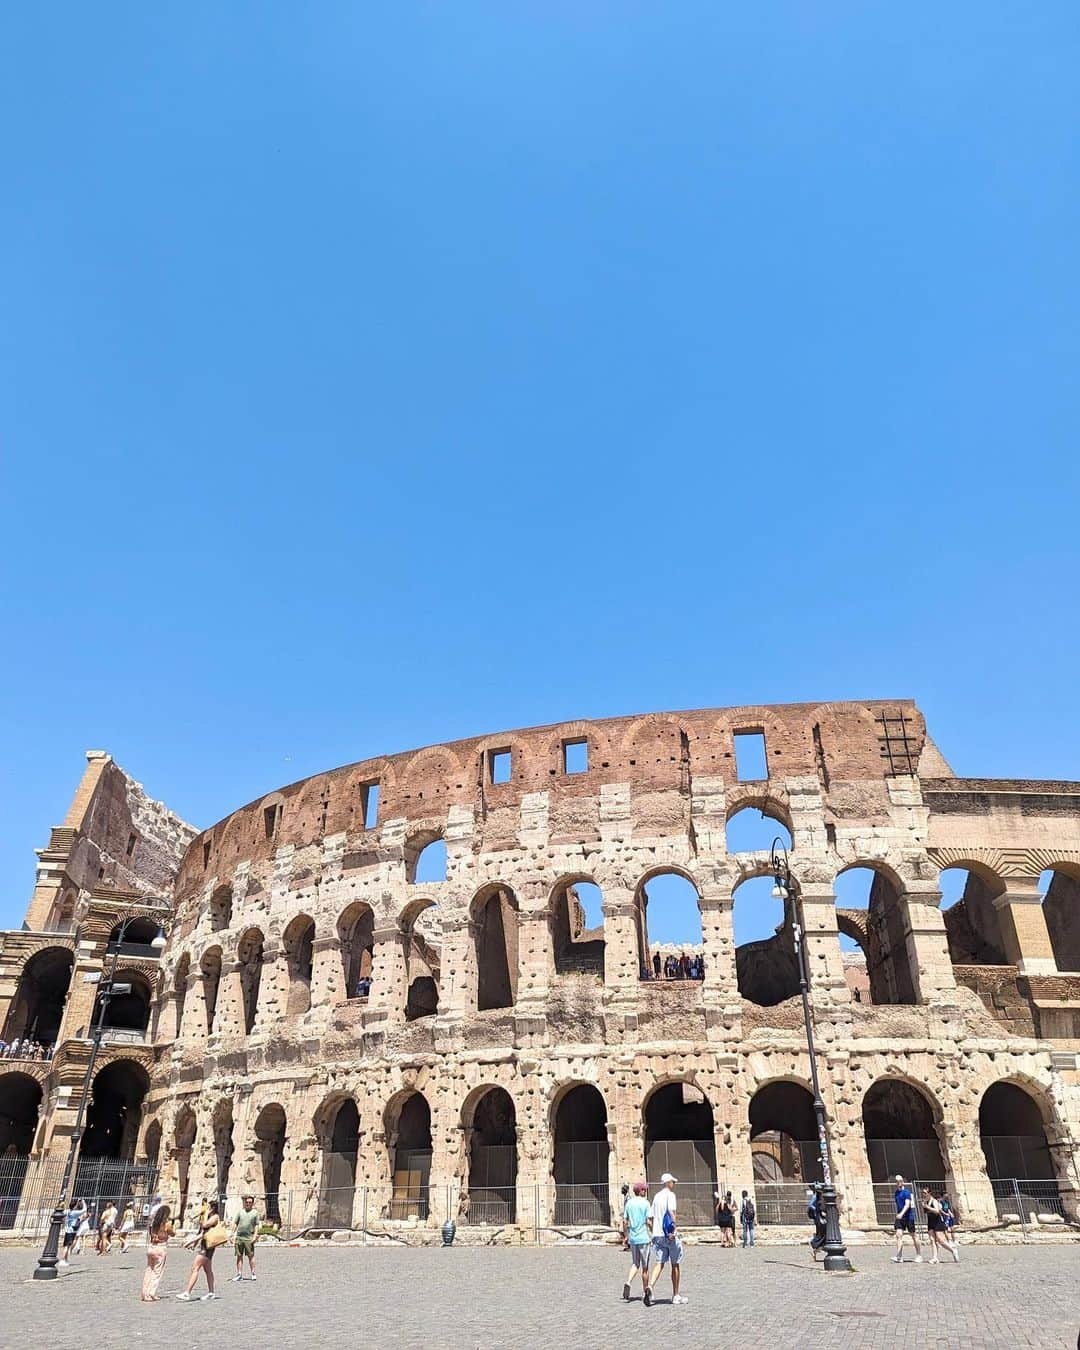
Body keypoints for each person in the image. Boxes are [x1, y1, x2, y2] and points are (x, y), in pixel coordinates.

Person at [644, 1173, 686, 1306]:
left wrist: (654, 1232)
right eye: (672, 1181)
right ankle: (675, 1295)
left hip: (657, 1235)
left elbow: (649, 1219)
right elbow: (672, 1213)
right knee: (675, 1264)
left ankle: (650, 1286)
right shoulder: (670, 1195)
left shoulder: (656, 1197)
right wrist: (673, 1230)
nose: (673, 1184)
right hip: (669, 1235)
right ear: (668, 1182)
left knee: (659, 1263)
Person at [177, 1198, 223, 1301]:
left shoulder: (215, 1217)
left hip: (207, 1247)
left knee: (195, 1268)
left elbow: (205, 1226)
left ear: (213, 1208)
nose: (206, 1209)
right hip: (205, 1245)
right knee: (208, 1270)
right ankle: (211, 1293)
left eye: (208, 1207)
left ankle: (187, 1293)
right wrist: (192, 1243)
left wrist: (205, 1214)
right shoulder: (209, 1216)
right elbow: (201, 1234)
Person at [621, 1181, 652, 1301]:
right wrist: (653, 1232)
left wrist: (626, 1235)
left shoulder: (629, 1203)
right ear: (641, 1191)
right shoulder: (645, 1203)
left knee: (635, 1263)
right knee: (645, 1267)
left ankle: (628, 1282)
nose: (646, 1191)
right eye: (644, 1189)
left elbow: (624, 1221)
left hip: (633, 1238)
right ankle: (645, 1292)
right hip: (644, 1238)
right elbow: (648, 1221)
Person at [141, 1204, 174, 1301]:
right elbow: (172, 1233)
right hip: (160, 1248)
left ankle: (144, 1293)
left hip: (151, 1248)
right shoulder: (166, 1224)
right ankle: (151, 1293)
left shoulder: (153, 1224)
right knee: (157, 1272)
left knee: (149, 1270)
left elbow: (152, 1234)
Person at [921, 1188, 960, 1263]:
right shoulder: (925, 1201)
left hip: (937, 1221)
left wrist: (927, 1207)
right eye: (923, 1193)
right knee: (932, 1240)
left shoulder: (934, 1201)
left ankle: (953, 1251)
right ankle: (935, 1257)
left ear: (929, 1193)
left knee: (940, 1240)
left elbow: (937, 1211)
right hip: (930, 1221)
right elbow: (926, 1212)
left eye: (925, 1193)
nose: (924, 1194)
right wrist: (924, 1206)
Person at [892, 1175, 922, 1263]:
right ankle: (899, 1256)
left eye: (900, 1181)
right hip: (900, 1218)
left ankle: (919, 1255)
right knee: (898, 1235)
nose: (898, 1183)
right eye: (897, 1181)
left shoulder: (906, 1192)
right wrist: (899, 1214)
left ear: (902, 1182)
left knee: (913, 1235)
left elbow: (907, 1204)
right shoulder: (896, 1193)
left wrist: (901, 1213)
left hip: (908, 1217)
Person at [232, 1194, 260, 1281]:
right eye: (247, 1202)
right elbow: (235, 1223)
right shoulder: (240, 1212)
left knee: (251, 1256)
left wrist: (255, 1236)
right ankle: (239, 1274)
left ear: (252, 1203)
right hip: (239, 1237)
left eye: (250, 1202)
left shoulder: (255, 1213)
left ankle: (253, 1273)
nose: (248, 1204)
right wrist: (232, 1234)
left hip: (249, 1237)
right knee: (239, 1256)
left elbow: (256, 1225)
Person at [61, 1200, 84, 1264]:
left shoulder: (67, 1211)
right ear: (74, 1206)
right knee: (67, 1246)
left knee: (67, 1246)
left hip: (67, 1229)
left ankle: (65, 1259)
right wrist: (83, 1202)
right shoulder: (75, 1213)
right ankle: (63, 1260)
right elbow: (84, 1210)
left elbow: (61, 1214)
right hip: (71, 1231)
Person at [808, 1187, 827, 1259]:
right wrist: (816, 1210)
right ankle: (815, 1244)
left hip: (821, 1218)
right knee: (821, 1233)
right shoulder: (815, 1196)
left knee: (822, 1233)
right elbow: (810, 1205)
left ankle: (819, 1247)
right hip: (819, 1218)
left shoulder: (821, 1197)